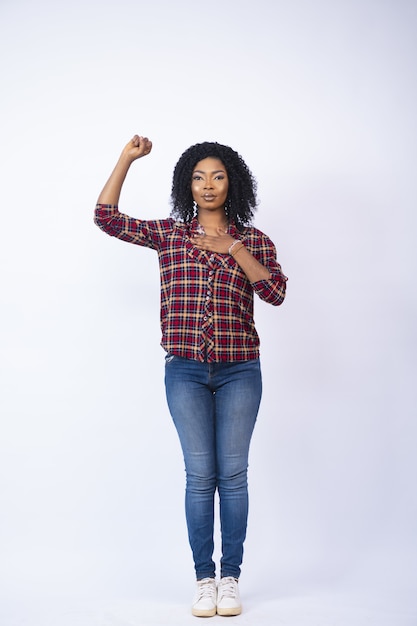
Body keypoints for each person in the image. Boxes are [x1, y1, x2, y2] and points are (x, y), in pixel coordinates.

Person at [94, 134, 287, 617]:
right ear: (187, 184)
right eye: (198, 177)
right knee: (201, 476)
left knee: (234, 475)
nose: (208, 185)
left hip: (241, 369)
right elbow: (106, 218)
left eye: (217, 176)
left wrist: (235, 248)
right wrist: (126, 159)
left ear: (232, 183)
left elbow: (277, 293)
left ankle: (231, 579)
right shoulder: (170, 234)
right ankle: (205, 579)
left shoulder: (255, 240)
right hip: (183, 370)